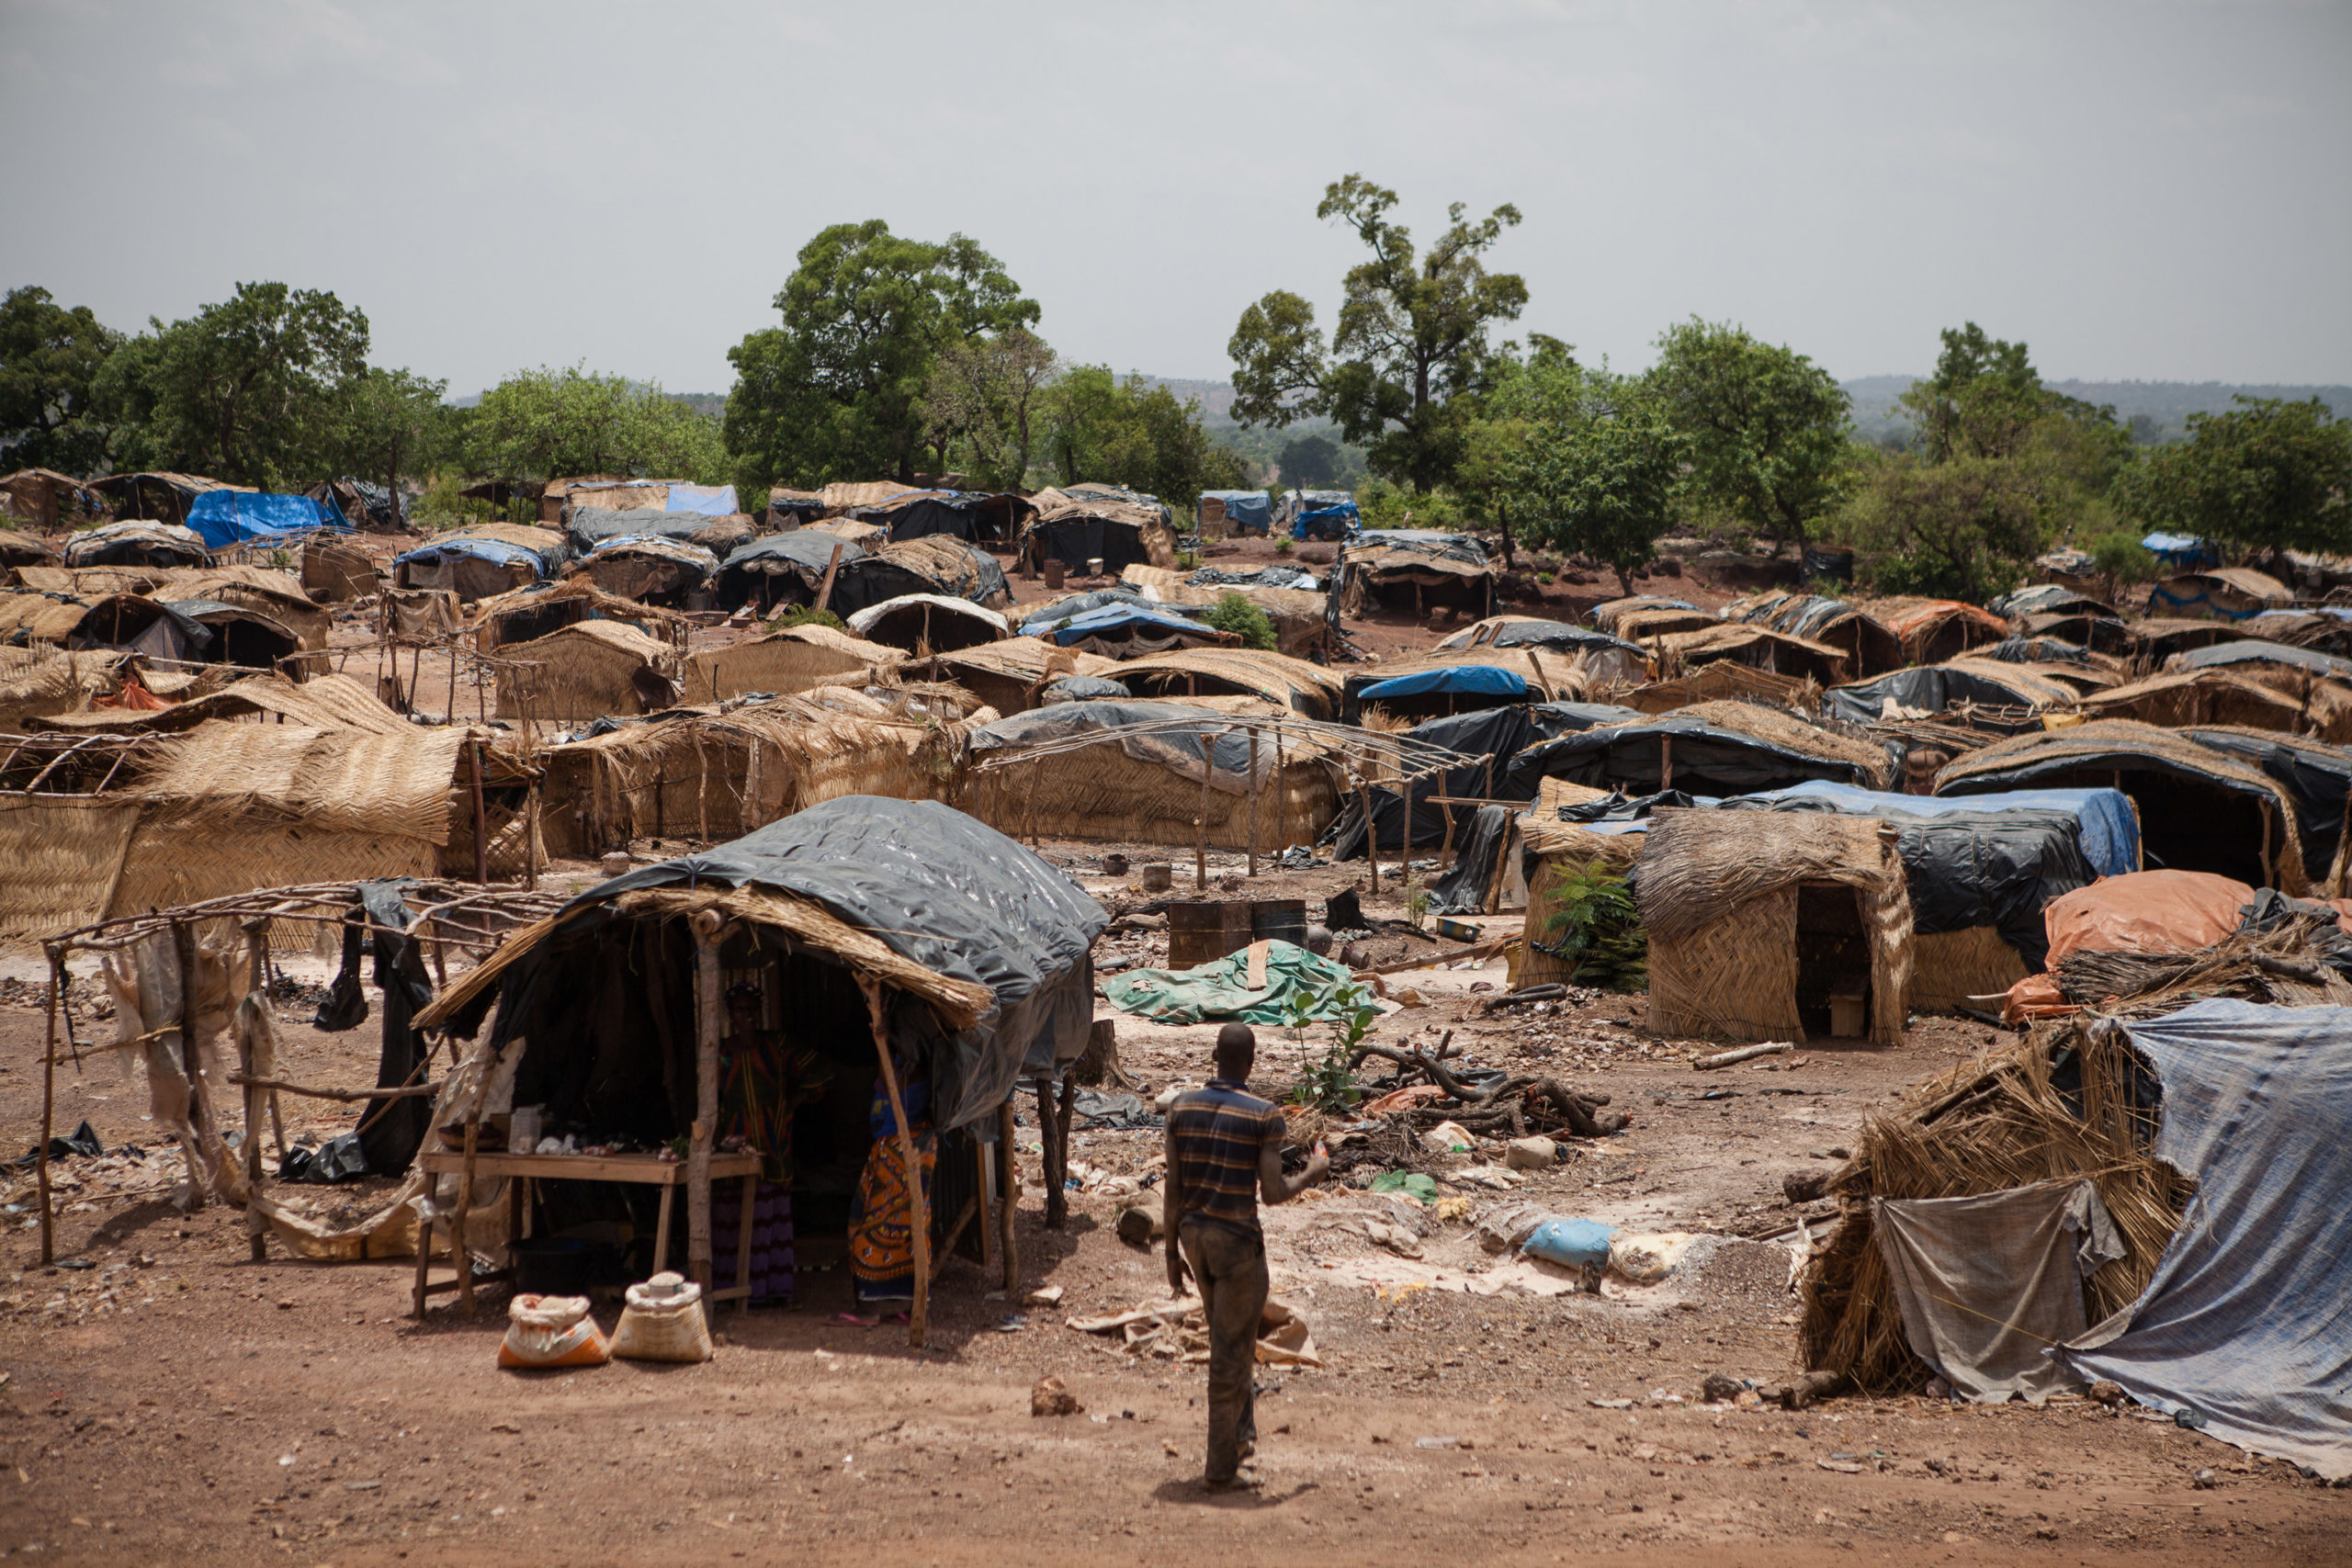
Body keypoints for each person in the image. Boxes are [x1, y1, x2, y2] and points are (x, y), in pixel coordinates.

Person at [1162, 1021, 1329, 1488]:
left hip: (1195, 1241)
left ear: (1214, 1056)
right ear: (1251, 1063)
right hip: (1237, 1245)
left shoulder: (1181, 1107)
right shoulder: (1264, 1115)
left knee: (1229, 1338)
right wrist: (1314, 1172)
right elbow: (1274, 1192)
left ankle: (1240, 1439)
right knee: (1229, 1352)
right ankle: (1219, 1472)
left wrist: (1172, 1260)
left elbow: (1173, 1190)